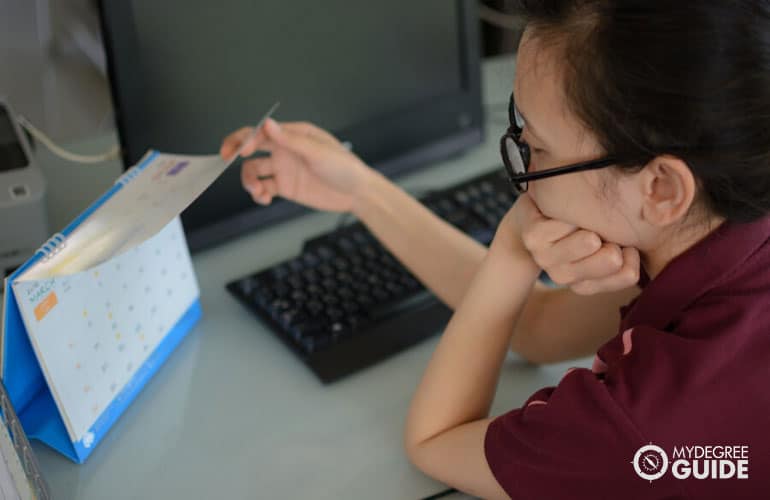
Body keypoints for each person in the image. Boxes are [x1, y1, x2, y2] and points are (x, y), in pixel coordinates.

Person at [220, 0, 770, 497]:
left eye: (537, 146)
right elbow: (538, 326)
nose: (524, 169)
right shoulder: (731, 214)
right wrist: (361, 190)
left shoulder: (640, 436)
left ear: (661, 188)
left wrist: (513, 247)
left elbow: (436, 440)